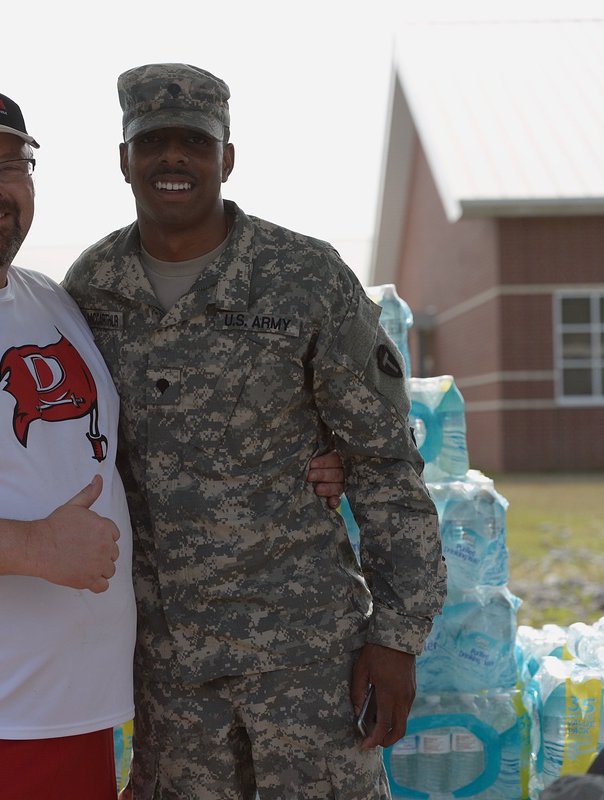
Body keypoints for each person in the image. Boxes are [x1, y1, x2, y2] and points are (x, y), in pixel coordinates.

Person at [0, 82, 346, 799]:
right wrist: (33, 548)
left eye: (10, 167)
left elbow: (138, 432)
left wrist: (299, 457)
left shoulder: (52, 299)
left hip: (74, 721)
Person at [62, 63, 448, 800]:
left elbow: (383, 464)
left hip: (305, 662)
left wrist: (396, 638)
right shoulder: (91, 290)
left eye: (194, 143)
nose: (173, 158)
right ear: (124, 160)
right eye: (153, 142)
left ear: (226, 158)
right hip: (168, 675)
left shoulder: (302, 276)